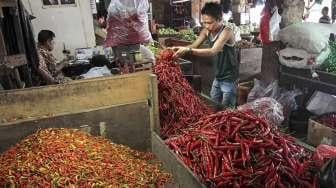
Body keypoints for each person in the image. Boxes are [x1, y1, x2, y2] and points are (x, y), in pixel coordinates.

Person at [173, 2, 238, 108]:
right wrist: (178, 48)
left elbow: (213, 51)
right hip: (217, 77)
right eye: (204, 23)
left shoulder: (227, 31)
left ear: (219, 19)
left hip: (229, 78)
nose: (207, 26)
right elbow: (194, 45)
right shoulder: (206, 31)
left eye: (210, 22)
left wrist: (188, 50)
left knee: (227, 111)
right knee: (213, 106)